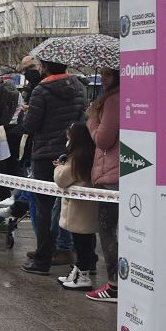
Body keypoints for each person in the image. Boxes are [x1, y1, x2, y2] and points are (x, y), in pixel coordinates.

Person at [21, 59, 88, 275]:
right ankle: (86, 260)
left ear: (45, 67)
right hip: (72, 151)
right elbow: (82, 117)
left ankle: (42, 259)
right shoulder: (78, 86)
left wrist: (26, 113)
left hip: (45, 153)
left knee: (44, 208)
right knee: (73, 205)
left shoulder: (41, 90)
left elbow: (31, 125)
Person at [86, 67, 120, 303]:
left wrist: (92, 119)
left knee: (107, 230)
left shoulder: (113, 101)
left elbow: (103, 139)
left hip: (112, 174)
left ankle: (115, 285)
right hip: (121, 171)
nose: (104, 79)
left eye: (108, 74)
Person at [52, 123, 99, 290]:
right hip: (88, 209)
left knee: (81, 244)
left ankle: (82, 276)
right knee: (85, 242)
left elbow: (62, 179)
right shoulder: (91, 154)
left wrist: (59, 167)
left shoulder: (76, 158)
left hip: (79, 210)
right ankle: (79, 272)